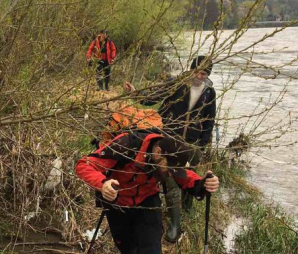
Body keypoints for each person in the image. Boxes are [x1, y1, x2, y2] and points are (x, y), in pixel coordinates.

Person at [75, 129, 220, 254]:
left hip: (148, 201)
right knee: (128, 249)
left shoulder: (169, 151)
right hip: (119, 203)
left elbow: (185, 176)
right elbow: (84, 165)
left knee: (151, 249)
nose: (171, 174)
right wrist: (103, 184)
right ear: (157, 153)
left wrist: (202, 184)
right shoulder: (125, 145)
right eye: (169, 169)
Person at [124, 55, 217, 243]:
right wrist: (135, 93)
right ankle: (175, 223)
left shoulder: (210, 92)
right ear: (191, 69)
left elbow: (209, 121)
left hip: (192, 143)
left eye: (204, 73)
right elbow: (153, 98)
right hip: (170, 140)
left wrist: (203, 146)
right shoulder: (175, 84)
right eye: (198, 72)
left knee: (191, 175)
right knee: (172, 179)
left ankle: (188, 207)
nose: (200, 76)